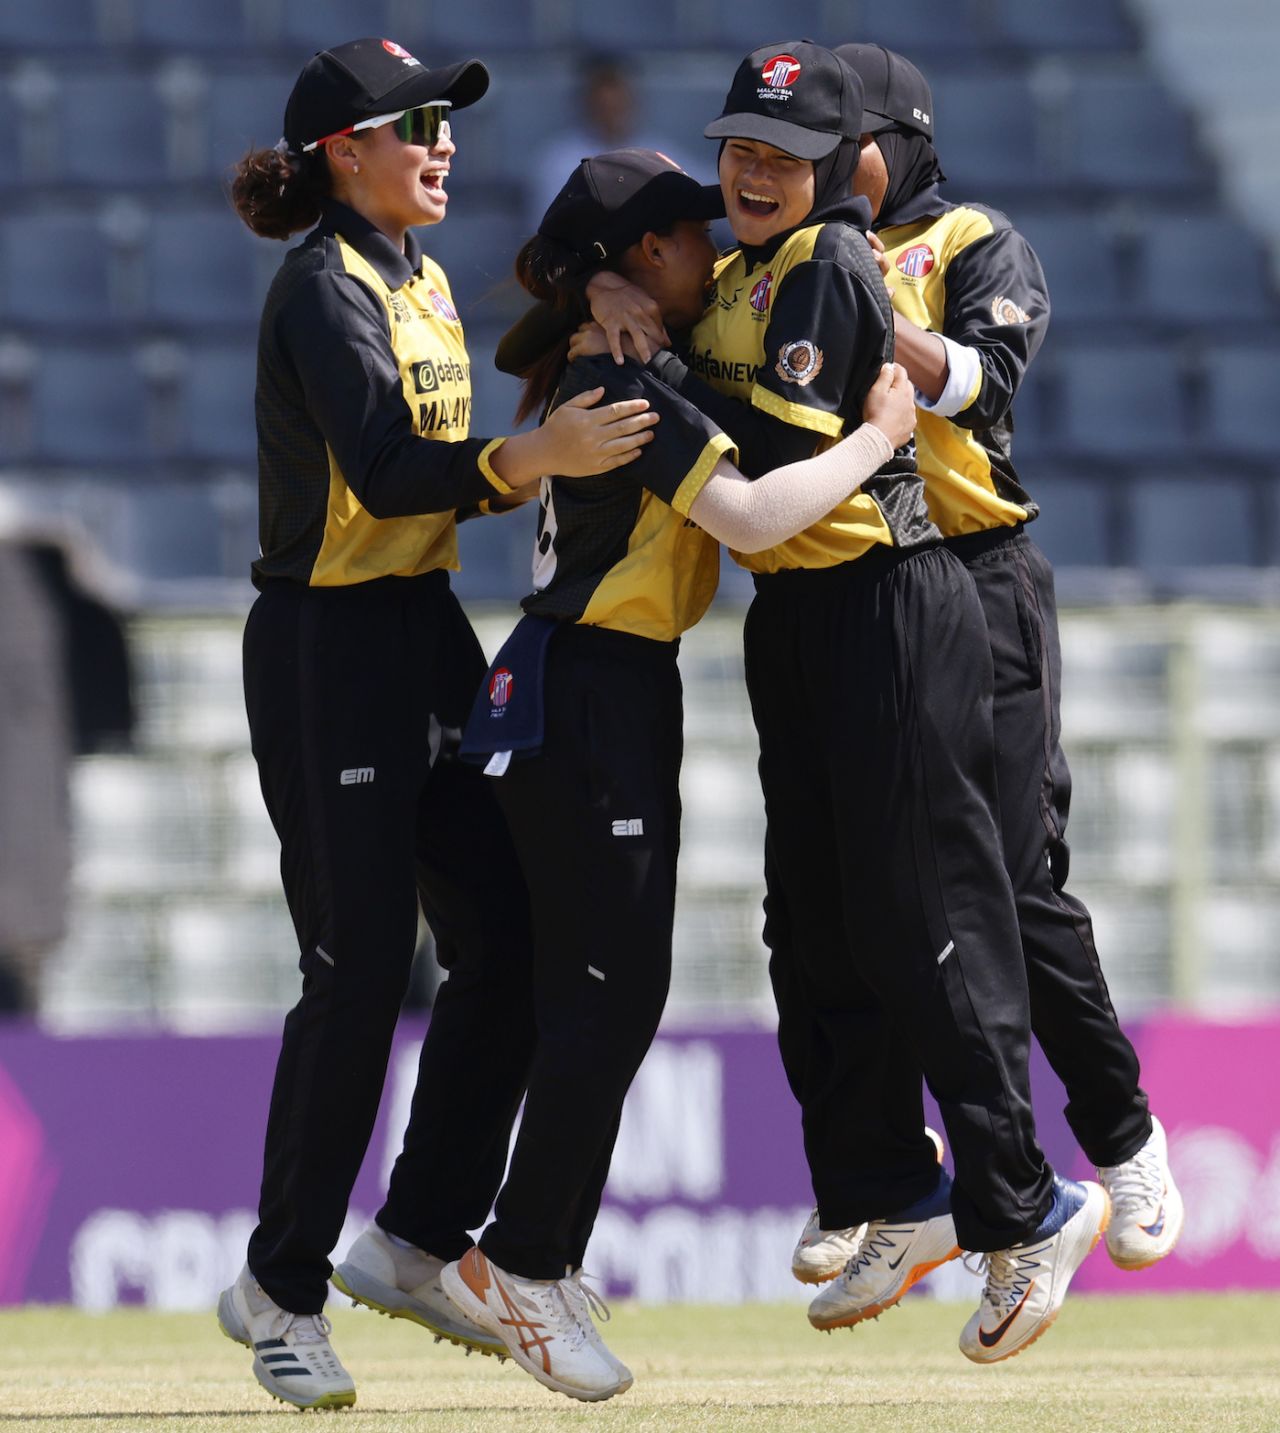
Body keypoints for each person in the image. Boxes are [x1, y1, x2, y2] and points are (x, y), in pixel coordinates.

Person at [569, 40, 1110, 1364]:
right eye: (736, 150)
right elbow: (594, 263)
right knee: (809, 923)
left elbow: (775, 459)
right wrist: (600, 282)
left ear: (837, 169)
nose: (749, 175)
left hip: (889, 601)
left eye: (781, 155)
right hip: (801, 622)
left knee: (929, 913)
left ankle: (1025, 1203)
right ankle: (888, 1185)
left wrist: (659, 375)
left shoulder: (831, 265)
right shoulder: (745, 265)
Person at [214, 38, 661, 1412]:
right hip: (324, 645)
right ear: (345, 151)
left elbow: (541, 286)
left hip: (418, 636)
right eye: (416, 126)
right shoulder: (320, 289)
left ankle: (415, 1238)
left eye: (447, 124)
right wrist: (534, 458)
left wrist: (590, 274)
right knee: (354, 972)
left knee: (516, 930)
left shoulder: (413, 269)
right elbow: (392, 467)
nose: (442, 144)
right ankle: (282, 1290)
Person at [437, 146, 917, 1405]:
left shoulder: (614, 348)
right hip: (586, 685)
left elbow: (531, 340)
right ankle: (526, 1264)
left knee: (589, 994)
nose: (716, 250)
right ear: (645, 254)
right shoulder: (629, 381)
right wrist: (875, 439)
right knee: (608, 995)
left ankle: (517, 1249)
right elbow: (756, 521)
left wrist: (594, 297)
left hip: (580, 681)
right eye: (688, 235)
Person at [784, 42, 1181, 1296]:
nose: (812, 161)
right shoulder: (788, 242)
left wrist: (855, 307)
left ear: (891, 138)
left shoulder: (971, 238)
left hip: (980, 573)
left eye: (836, 138)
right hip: (862, 582)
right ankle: (903, 1188)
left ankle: (1118, 1134)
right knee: (869, 890)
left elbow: (977, 376)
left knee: (1009, 876)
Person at [528, 52, 703, 227]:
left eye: (618, 103)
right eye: (603, 105)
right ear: (587, 102)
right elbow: (550, 228)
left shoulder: (661, 153)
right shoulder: (558, 160)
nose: (611, 112)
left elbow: (702, 198)